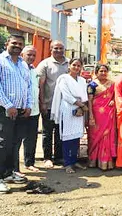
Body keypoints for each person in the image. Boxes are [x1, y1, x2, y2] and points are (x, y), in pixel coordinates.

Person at [0, 34, 32, 193]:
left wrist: (28, 105)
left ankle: (8, 173)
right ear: (7, 43)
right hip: (3, 109)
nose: (17, 46)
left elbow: (28, 86)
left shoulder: (23, 64)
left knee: (14, 143)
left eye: (20, 44)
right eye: (14, 43)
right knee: (2, 143)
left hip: (20, 111)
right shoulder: (0, 61)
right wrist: (8, 105)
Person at [51, 58, 88, 174]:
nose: (76, 68)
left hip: (79, 109)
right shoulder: (64, 79)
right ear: (69, 66)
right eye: (74, 65)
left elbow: (84, 95)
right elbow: (66, 95)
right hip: (67, 108)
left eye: (78, 65)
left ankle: (74, 160)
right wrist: (81, 105)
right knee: (67, 137)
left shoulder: (82, 80)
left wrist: (81, 108)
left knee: (76, 137)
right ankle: (67, 163)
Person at [37, 40, 69, 168]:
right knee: (48, 132)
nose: (58, 50)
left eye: (61, 48)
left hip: (65, 106)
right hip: (49, 104)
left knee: (60, 132)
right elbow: (41, 85)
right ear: (51, 49)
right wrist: (42, 102)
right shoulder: (45, 64)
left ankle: (59, 157)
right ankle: (47, 158)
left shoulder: (69, 63)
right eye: (56, 48)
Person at [13, 46, 40, 174]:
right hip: (21, 110)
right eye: (29, 55)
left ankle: (29, 163)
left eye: (34, 55)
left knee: (31, 138)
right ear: (22, 55)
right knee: (17, 139)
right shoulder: (17, 68)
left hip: (34, 110)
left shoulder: (34, 71)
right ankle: (14, 167)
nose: (31, 57)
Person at [87, 64, 117, 171]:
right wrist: (90, 115)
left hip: (108, 114)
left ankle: (106, 162)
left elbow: (115, 96)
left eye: (105, 71)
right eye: (101, 71)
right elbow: (90, 101)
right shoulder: (92, 85)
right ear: (96, 73)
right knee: (95, 137)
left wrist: (113, 100)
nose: (103, 73)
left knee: (107, 137)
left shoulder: (112, 84)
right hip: (96, 114)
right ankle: (93, 160)